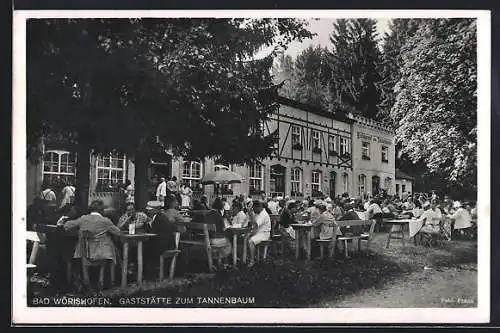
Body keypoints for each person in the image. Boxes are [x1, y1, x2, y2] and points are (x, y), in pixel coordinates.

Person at [63, 200, 121, 271]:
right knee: (115, 249)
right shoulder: (105, 221)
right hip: (102, 253)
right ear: (102, 210)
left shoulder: (83, 218)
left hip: (85, 252)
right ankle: (113, 279)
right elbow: (118, 232)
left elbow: (66, 225)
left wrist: (78, 231)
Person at [247, 200, 271, 267]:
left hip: (264, 234)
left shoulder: (263, 214)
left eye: (254, 209)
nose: (254, 211)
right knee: (245, 237)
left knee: (250, 241)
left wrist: (251, 215)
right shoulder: (258, 213)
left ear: (259, 207)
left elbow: (255, 225)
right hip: (258, 233)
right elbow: (252, 225)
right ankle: (249, 257)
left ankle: (252, 261)